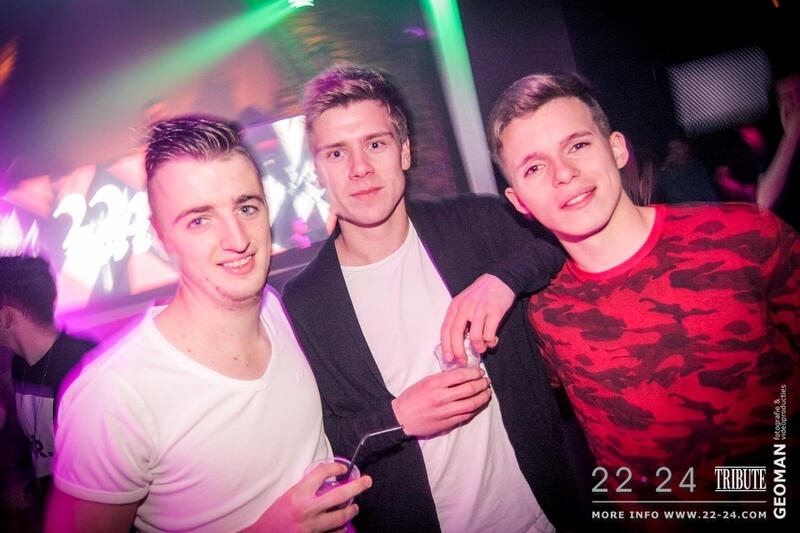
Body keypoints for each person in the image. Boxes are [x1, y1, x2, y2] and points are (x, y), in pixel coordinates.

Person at [281, 64, 593, 533]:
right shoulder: (306, 302)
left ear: (404, 151)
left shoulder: (476, 223)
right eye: (337, 153)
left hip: (550, 515)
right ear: (317, 171)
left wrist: (501, 280)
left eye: (375, 144)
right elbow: (320, 441)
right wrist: (398, 418)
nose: (360, 168)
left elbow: (558, 241)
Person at [487, 71, 799, 532]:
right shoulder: (544, 314)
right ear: (519, 202)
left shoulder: (745, 236)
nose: (563, 174)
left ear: (616, 149)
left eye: (578, 145)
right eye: (534, 167)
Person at [45, 115, 371, 533]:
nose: (238, 239)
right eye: (199, 220)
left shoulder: (273, 309)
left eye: (246, 207)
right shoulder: (113, 397)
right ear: (160, 237)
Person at [0, 255, 98, 530]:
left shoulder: (83, 364)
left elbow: (94, 468)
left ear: (6, 315)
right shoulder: (19, 364)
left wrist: (27, 493)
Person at [757, 69, 800, 231]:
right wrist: (791, 136)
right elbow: (764, 202)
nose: (797, 101)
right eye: (787, 97)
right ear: (780, 106)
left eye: (799, 92)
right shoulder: (774, 149)